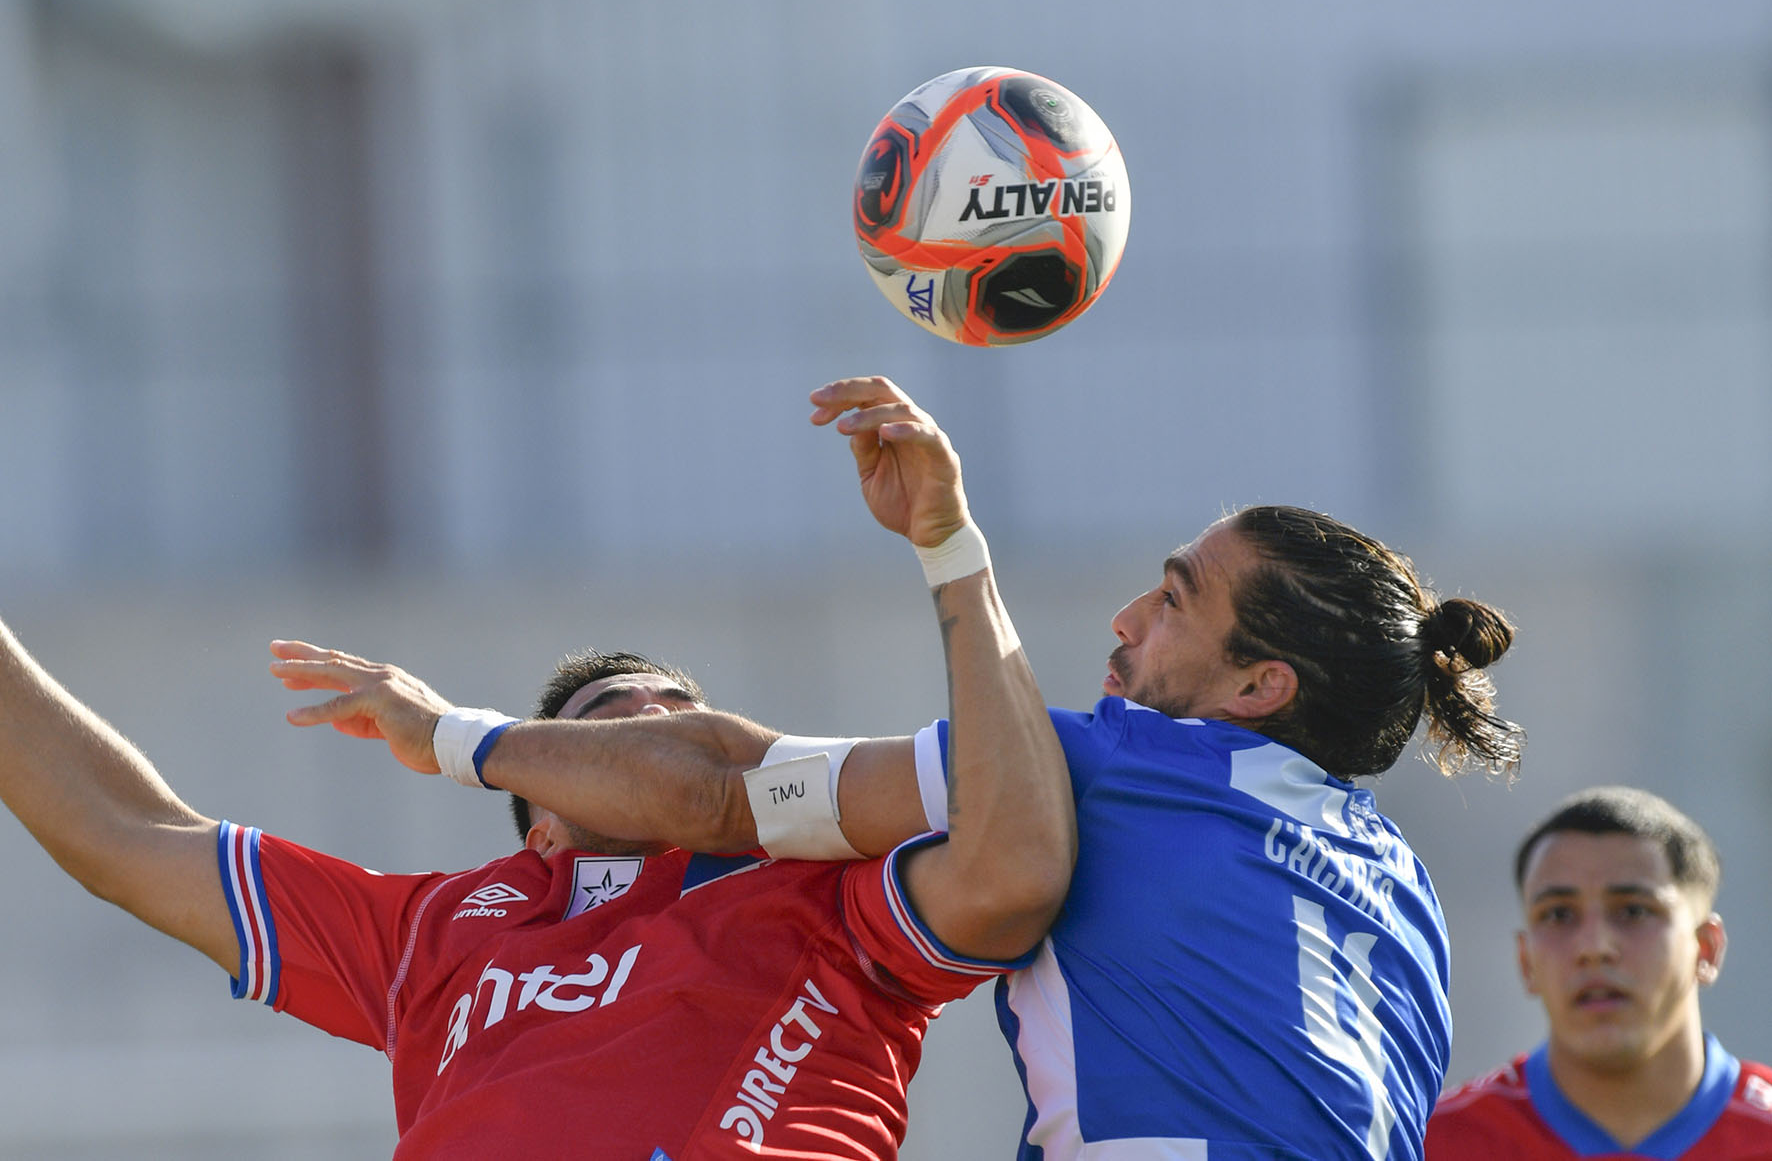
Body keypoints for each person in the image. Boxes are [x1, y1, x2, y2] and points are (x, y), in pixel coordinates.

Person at [293, 376, 1528, 1160]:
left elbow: (720, 792)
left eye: (1170, 599)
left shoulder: (1119, 763)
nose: (1120, 618)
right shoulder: (1397, 882)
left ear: (1260, 686)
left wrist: (449, 735)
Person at [0, 374, 1077, 1158]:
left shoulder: (833, 894)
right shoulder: (435, 926)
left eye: (682, 712)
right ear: (544, 820)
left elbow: (1012, 864)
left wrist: (949, 547)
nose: (657, 724)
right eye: (611, 724)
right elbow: (115, 828)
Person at [1426, 786, 1772, 1159]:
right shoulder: (1430, 1144)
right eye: (1558, 914)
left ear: (1706, 948)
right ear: (1527, 962)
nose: (1593, 948)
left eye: (1633, 911)